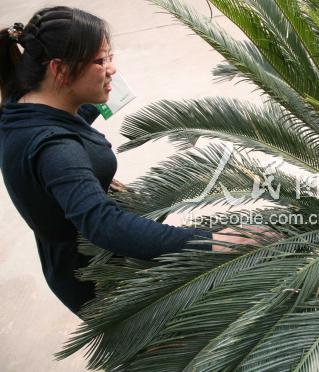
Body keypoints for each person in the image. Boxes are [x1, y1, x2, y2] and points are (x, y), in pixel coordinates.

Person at [0, 6, 244, 316]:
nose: (111, 69)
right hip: (102, 277)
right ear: (60, 71)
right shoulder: (56, 151)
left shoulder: (23, 102)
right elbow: (107, 226)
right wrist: (214, 242)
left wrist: (93, 103)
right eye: (100, 61)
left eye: (110, 57)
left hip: (74, 258)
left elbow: (66, 118)